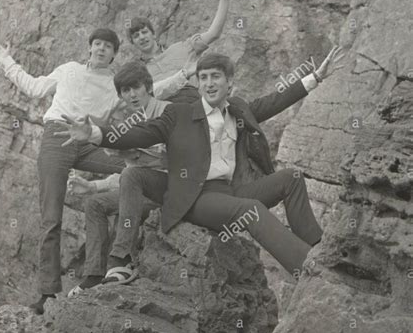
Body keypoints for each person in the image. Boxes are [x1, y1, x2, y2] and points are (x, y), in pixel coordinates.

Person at [55, 47, 344, 279]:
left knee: (291, 177)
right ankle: (309, 270)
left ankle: (317, 248)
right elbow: (138, 134)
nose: (209, 83)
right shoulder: (178, 114)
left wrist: (315, 78)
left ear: (229, 81)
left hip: (231, 192)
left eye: (215, 77)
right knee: (251, 211)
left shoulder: (238, 110)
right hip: (196, 197)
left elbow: (273, 101)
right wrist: (94, 133)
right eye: (203, 77)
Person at [0, 29, 127, 314]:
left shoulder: (115, 85)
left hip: (88, 142)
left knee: (135, 171)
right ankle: (47, 293)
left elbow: (149, 92)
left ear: (114, 54)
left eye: (108, 46)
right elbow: (35, 88)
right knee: (51, 217)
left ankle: (106, 268)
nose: (101, 49)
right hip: (56, 138)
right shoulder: (69, 70)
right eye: (97, 44)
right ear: (89, 48)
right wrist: (6, 61)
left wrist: (184, 76)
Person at [66, 62, 170, 295]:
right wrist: (92, 185)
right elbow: (128, 176)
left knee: (132, 175)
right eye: (125, 90)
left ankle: (120, 259)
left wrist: (137, 150)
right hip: (143, 190)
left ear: (149, 86)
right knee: (94, 203)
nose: (131, 95)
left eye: (136, 87)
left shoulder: (166, 111)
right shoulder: (133, 122)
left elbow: (176, 159)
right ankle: (93, 274)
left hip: (173, 187)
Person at [127, 0, 231, 103]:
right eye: (136, 36)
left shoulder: (182, 48)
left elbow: (213, 34)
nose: (142, 37)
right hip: (168, 113)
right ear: (133, 42)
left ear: (153, 34)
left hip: (195, 104)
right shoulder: (139, 72)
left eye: (144, 32)